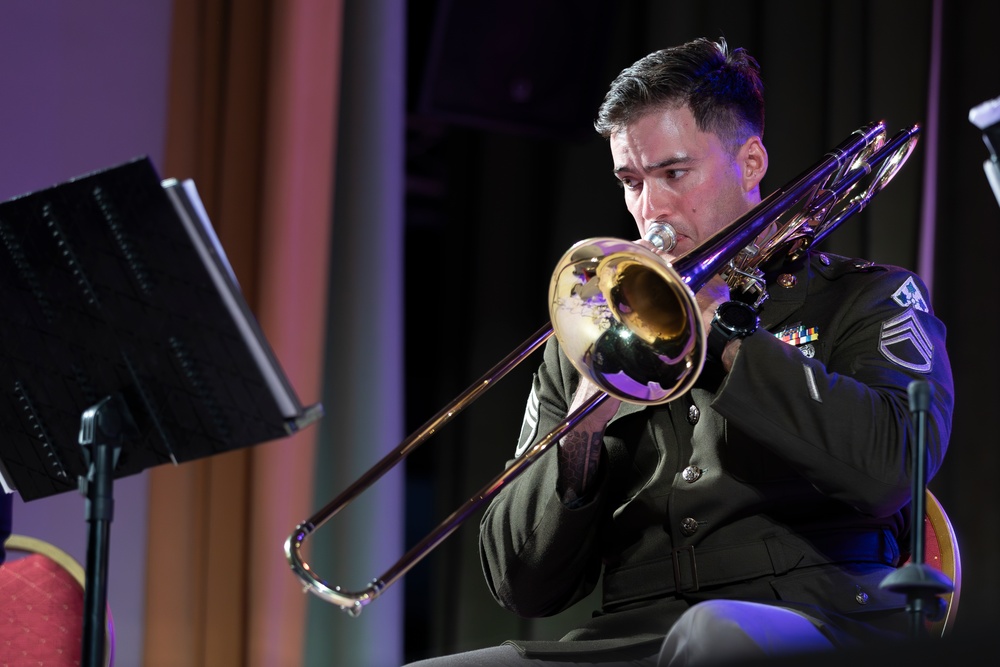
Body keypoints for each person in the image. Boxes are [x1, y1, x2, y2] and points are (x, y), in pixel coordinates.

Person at [406, 37, 954, 666]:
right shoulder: (589, 334)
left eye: (673, 173)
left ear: (749, 164)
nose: (651, 210)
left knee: (711, 638)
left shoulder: (867, 297)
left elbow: (891, 468)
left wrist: (718, 337)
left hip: (815, 614)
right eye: (631, 182)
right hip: (631, 633)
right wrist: (583, 431)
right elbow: (521, 582)